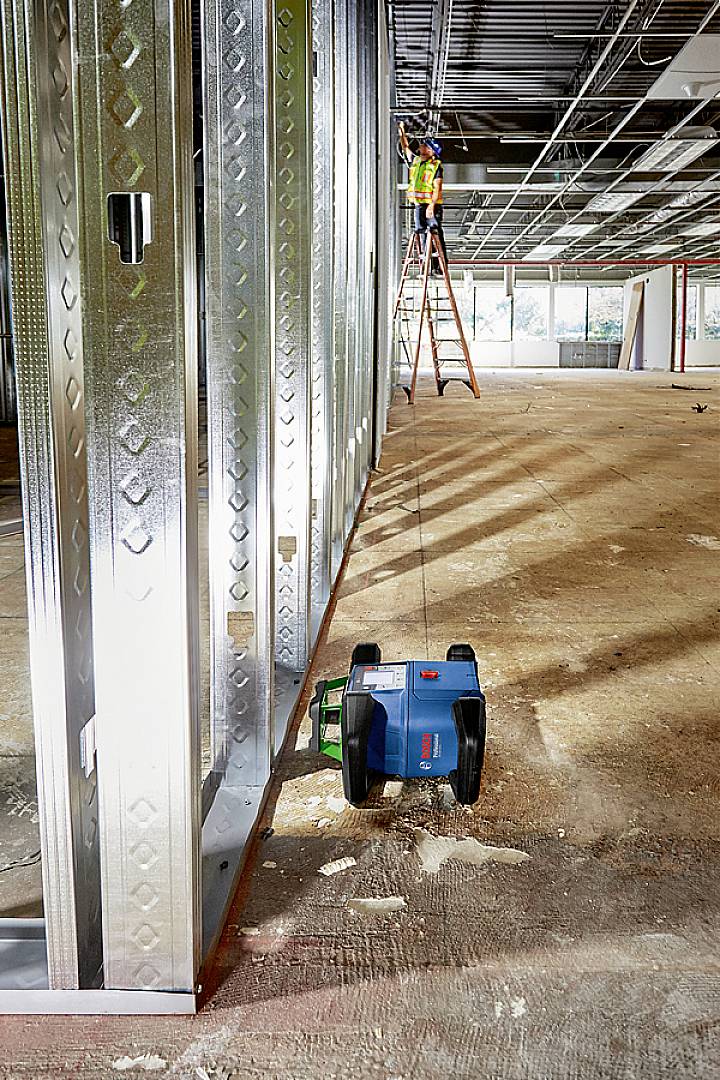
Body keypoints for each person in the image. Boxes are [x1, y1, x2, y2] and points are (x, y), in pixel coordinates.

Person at [399, 123, 448, 274]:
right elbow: (405, 148)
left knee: (434, 233)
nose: (420, 147)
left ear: (431, 151)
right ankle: (426, 264)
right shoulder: (416, 162)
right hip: (419, 205)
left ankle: (439, 266)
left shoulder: (435, 166)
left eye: (425, 146)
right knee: (421, 232)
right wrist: (401, 130)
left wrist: (432, 206)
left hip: (431, 206)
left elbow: (437, 187)